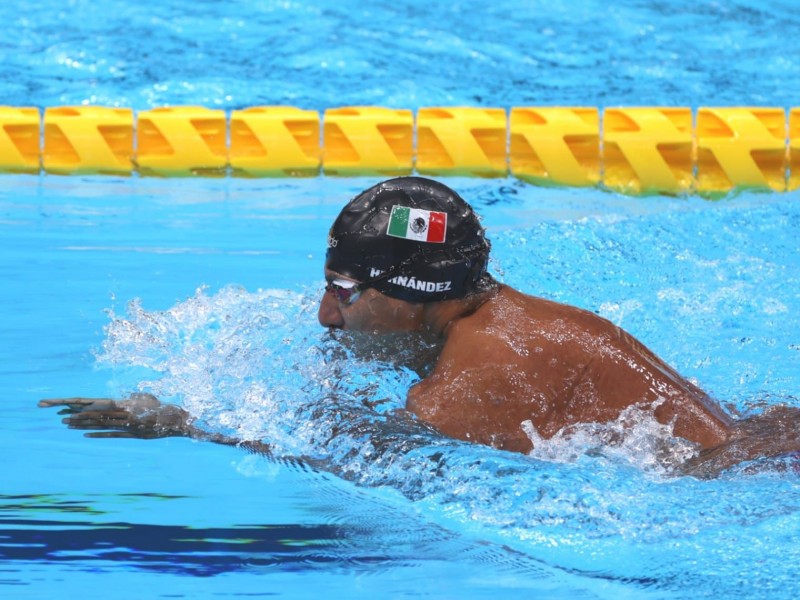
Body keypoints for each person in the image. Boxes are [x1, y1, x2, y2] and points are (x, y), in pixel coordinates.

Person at [39, 177, 799, 476]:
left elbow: (367, 462)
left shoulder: (483, 368)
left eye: (344, 290)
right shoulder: (499, 317)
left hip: (736, 486)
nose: (325, 314)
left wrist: (188, 426)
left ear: (415, 294)